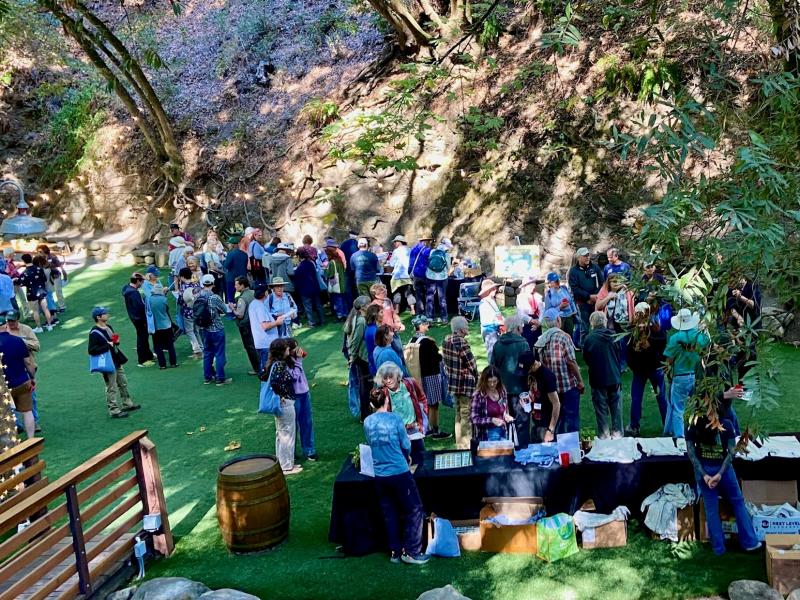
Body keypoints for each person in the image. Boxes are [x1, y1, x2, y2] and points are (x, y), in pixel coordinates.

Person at [363, 387, 429, 565]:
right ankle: (413, 551)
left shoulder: (367, 422)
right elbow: (405, 444)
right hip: (399, 472)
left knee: (389, 512)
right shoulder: (395, 419)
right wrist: (406, 455)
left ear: (371, 404)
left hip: (380, 475)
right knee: (414, 509)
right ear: (387, 401)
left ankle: (395, 551)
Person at [686, 414, 761, 555]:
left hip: (704, 469)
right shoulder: (726, 423)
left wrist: (705, 476)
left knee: (711, 508)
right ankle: (750, 542)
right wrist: (719, 474)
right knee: (738, 502)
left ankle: (718, 548)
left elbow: (691, 453)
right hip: (723, 470)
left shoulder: (692, 424)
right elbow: (731, 453)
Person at [535, 309, 585, 433]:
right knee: (570, 420)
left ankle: (557, 447)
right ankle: (570, 448)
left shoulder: (541, 340)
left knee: (555, 419)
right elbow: (571, 362)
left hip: (550, 389)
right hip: (567, 386)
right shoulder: (564, 337)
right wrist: (580, 381)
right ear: (558, 320)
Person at [663, 308, 710, 438]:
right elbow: (707, 349)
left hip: (680, 376)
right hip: (696, 375)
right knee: (698, 406)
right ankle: (699, 432)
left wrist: (668, 371)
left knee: (678, 408)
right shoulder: (700, 336)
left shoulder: (675, 338)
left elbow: (669, 360)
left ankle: (679, 437)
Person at [87, 306, 140, 418]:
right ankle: (114, 410)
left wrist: (116, 341)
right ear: (98, 317)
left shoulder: (109, 327)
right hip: (107, 363)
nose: (107, 314)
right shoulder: (94, 333)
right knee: (111, 386)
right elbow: (91, 350)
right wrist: (107, 345)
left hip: (116, 360)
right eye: (104, 313)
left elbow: (113, 341)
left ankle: (127, 403)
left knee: (123, 382)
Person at [490, 315, 533, 447]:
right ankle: (523, 450)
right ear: (518, 328)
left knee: (506, 420)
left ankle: (508, 449)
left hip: (502, 390)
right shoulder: (523, 344)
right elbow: (529, 367)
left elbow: (493, 367)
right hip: (521, 389)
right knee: (523, 422)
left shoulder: (498, 344)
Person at [374, 362, 428, 465]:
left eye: (391, 377)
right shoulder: (383, 393)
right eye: (385, 378)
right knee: (403, 461)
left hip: (415, 429)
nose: (388, 381)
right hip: (397, 433)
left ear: (398, 375)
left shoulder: (410, 383)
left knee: (420, 459)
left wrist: (423, 414)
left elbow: (422, 397)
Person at [627, 301, 667, 436]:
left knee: (637, 397)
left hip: (640, 370)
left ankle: (634, 426)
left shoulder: (632, 331)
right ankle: (667, 424)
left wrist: (632, 366)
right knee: (661, 397)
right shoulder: (656, 329)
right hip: (655, 368)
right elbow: (663, 345)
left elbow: (628, 352)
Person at [264, 338, 302, 475]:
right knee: (287, 433)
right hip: (285, 402)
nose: (288, 350)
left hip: (278, 403)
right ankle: (287, 466)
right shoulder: (280, 365)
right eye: (286, 348)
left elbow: (262, 376)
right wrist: (281, 395)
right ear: (282, 351)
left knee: (281, 433)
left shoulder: (271, 364)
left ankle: (282, 463)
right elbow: (287, 379)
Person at [582, 312, 623, 439]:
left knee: (601, 409)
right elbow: (619, 354)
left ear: (592, 323)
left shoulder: (589, 339)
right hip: (614, 376)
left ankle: (604, 435)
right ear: (604, 321)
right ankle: (617, 434)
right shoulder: (614, 335)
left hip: (598, 378)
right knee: (616, 408)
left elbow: (586, 358)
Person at [407, 315, 449, 439]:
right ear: (420, 326)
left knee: (423, 403)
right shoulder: (427, 341)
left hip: (418, 376)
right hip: (431, 376)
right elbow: (437, 358)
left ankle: (426, 427)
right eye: (425, 324)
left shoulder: (412, 340)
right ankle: (434, 429)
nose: (427, 326)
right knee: (434, 404)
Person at [443, 316, 479, 449]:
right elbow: (471, 363)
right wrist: (477, 376)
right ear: (461, 329)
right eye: (466, 326)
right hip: (464, 383)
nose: (468, 328)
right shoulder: (461, 343)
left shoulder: (446, 340)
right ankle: (466, 444)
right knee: (466, 413)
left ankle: (459, 442)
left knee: (458, 412)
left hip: (453, 381)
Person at [0, 313, 36, 437]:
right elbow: (28, 362)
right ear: (5, 326)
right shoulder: (17, 340)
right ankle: (31, 439)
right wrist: (32, 377)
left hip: (4, 385)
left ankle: (12, 442)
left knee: (6, 415)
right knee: (27, 411)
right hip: (22, 381)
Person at [7, 310, 41, 431]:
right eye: (8, 321)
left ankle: (35, 422)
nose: (10, 323)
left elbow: (37, 346)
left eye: (12, 321)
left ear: (18, 320)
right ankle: (17, 424)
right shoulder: (4, 331)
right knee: (10, 399)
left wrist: (20, 341)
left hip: (27, 368)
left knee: (32, 398)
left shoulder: (26, 329)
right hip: (11, 369)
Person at [196, 273, 232, 386]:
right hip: (216, 329)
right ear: (213, 283)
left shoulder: (199, 296)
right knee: (219, 353)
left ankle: (207, 377)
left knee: (207, 353)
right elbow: (225, 310)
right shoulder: (214, 297)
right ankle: (220, 378)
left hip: (204, 329)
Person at [595, 274, 635, 369]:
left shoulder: (626, 291)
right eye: (613, 281)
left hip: (623, 324)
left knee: (623, 344)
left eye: (618, 281)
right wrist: (609, 297)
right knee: (611, 345)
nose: (616, 283)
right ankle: (611, 363)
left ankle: (622, 364)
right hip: (609, 323)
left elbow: (632, 305)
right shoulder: (604, 291)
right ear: (609, 283)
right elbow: (598, 306)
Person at [286, 338, 317, 461]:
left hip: (304, 393)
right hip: (294, 396)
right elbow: (294, 376)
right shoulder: (285, 363)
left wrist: (299, 357)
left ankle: (309, 450)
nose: (296, 350)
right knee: (293, 425)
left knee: (307, 423)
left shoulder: (296, 357)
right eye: (293, 348)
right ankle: (290, 452)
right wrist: (298, 360)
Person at [568, 247, 604, 348]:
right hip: (582, 303)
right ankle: (585, 348)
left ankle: (598, 346)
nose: (587, 257)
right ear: (579, 257)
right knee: (584, 327)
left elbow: (602, 283)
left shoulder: (595, 267)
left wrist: (596, 297)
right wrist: (588, 297)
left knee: (599, 324)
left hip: (596, 301)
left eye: (588, 255)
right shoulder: (573, 271)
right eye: (585, 256)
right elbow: (575, 289)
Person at [344, 296, 372, 421]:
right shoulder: (361, 321)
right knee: (365, 387)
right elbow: (355, 341)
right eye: (368, 303)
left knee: (366, 386)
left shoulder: (361, 318)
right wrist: (352, 357)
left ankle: (367, 412)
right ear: (362, 307)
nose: (370, 304)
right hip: (362, 358)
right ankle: (365, 414)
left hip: (362, 357)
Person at [471, 365, 514, 442]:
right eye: (489, 381)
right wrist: (491, 420)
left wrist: (506, 416)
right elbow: (474, 419)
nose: (492, 384)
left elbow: (504, 410)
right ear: (484, 381)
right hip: (488, 434)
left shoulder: (502, 391)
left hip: (504, 430)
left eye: (495, 381)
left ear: (498, 380)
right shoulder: (478, 395)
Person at [249, 282, 285, 371]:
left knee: (266, 367)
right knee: (267, 368)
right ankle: (266, 385)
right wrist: (277, 322)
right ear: (265, 293)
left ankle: (266, 384)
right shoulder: (260, 306)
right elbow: (264, 326)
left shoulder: (254, 303)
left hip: (262, 341)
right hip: (266, 343)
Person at [122, 272, 154, 366]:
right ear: (137, 281)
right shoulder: (134, 293)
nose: (143, 283)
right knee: (142, 338)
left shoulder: (127, 288)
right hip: (139, 319)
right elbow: (140, 307)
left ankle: (149, 355)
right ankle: (143, 360)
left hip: (135, 317)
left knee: (143, 337)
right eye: (142, 281)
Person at [527, 354, 560, 443]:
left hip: (546, 424)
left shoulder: (547, 376)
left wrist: (550, 430)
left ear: (533, 365)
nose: (526, 373)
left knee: (547, 454)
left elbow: (556, 404)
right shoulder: (532, 374)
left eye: (527, 370)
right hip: (535, 423)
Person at [231, 276, 260, 375]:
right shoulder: (253, 293)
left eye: (236, 284)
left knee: (250, 347)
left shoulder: (242, 298)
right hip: (256, 323)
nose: (235, 286)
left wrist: (233, 309)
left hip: (246, 326)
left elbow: (240, 314)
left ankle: (257, 368)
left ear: (242, 285)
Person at [19, 253, 54, 333]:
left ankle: (39, 327)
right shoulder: (39, 269)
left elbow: (22, 283)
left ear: (24, 261)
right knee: (45, 308)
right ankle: (50, 325)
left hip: (32, 293)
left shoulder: (25, 273)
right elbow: (44, 279)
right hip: (41, 291)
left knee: (35, 311)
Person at [146, 284, 177, 369]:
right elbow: (166, 310)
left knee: (158, 346)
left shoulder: (148, 299)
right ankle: (173, 363)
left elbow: (148, 311)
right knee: (170, 345)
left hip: (155, 326)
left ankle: (162, 365)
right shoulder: (164, 299)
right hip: (166, 325)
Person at [177, 267, 204, 359]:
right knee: (197, 330)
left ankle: (196, 349)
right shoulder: (196, 284)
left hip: (188, 312)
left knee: (189, 331)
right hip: (198, 311)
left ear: (182, 276)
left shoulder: (184, 287)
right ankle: (201, 346)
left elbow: (181, 300)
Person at [295, 248, 326, 327]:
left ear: (299, 256)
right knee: (318, 305)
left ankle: (312, 323)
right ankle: (322, 320)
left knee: (308, 307)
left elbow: (298, 280)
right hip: (315, 287)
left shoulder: (299, 267)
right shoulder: (311, 263)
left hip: (305, 290)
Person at [425, 238, 452, 324]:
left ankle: (430, 318)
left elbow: (429, 263)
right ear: (446, 246)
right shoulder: (446, 254)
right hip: (442, 278)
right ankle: (444, 318)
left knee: (430, 297)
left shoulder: (432, 251)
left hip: (430, 276)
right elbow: (448, 267)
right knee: (442, 298)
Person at [387, 235, 415, 315]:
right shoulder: (410, 250)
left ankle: (397, 310)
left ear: (399, 242)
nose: (394, 243)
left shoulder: (396, 251)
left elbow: (392, 263)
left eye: (395, 242)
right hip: (408, 275)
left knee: (397, 292)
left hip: (398, 276)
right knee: (409, 293)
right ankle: (412, 309)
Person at [543, 272, 577, 336]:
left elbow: (571, 300)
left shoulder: (564, 288)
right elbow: (548, 312)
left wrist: (574, 311)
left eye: (557, 280)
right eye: (554, 281)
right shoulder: (549, 295)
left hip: (569, 317)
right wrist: (559, 307)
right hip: (558, 318)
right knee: (560, 336)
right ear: (549, 283)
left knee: (570, 336)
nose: (557, 283)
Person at [478, 279, 504, 362]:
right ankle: (492, 372)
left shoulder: (492, 301)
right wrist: (498, 322)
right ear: (488, 290)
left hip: (496, 331)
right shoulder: (483, 304)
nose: (495, 290)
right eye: (493, 289)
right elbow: (485, 322)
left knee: (497, 353)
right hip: (489, 332)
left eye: (495, 288)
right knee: (492, 354)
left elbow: (497, 314)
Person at [516, 276, 544, 349]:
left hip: (537, 325)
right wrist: (532, 321)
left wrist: (538, 323)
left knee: (538, 346)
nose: (533, 286)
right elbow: (521, 314)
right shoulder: (520, 297)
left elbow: (542, 311)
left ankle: (538, 360)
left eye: (534, 284)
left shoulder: (538, 297)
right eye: (531, 285)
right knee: (528, 346)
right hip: (527, 326)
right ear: (525, 286)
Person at [37, 244, 66, 311]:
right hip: (46, 277)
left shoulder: (52, 257)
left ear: (45, 250)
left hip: (55, 275)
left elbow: (59, 264)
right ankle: (53, 307)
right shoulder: (40, 259)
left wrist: (64, 272)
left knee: (58, 291)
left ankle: (62, 306)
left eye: (40, 251)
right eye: (38, 251)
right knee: (49, 292)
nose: (39, 253)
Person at [408, 237, 433, 316]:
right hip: (426, 275)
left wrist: (409, 273)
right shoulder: (428, 250)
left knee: (418, 296)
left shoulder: (413, 249)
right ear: (425, 241)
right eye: (429, 241)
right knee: (428, 296)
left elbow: (411, 263)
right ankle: (428, 315)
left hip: (416, 275)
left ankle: (419, 314)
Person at [324, 239, 347, 321]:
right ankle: (345, 314)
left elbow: (330, 275)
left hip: (336, 285)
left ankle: (339, 316)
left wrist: (325, 270)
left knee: (337, 301)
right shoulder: (339, 260)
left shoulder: (331, 262)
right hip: (342, 283)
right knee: (343, 300)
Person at [223, 236, 249, 304]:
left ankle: (232, 313)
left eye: (229, 244)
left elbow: (226, 266)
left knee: (231, 298)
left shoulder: (230, 253)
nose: (228, 245)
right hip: (243, 279)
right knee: (244, 296)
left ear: (233, 245)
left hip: (232, 279)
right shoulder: (244, 254)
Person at [202, 231, 226, 297]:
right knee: (216, 291)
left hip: (218, 273)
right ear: (209, 245)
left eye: (215, 245)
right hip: (214, 274)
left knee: (220, 290)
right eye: (213, 245)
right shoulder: (208, 254)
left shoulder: (213, 253)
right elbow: (212, 267)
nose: (215, 246)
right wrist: (222, 272)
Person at [364, 304, 383, 375]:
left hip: (374, 363)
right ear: (375, 315)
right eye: (381, 312)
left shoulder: (370, 328)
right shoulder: (375, 331)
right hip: (378, 365)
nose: (383, 315)